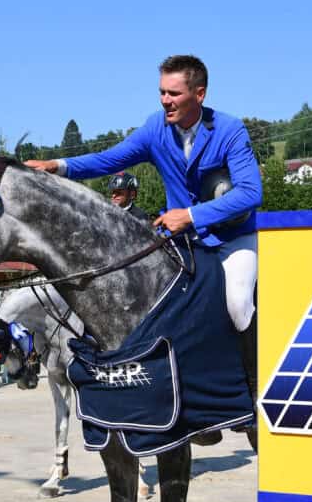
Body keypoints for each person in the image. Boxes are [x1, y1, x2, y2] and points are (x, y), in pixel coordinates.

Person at [25, 54, 261, 404]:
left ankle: (252, 391)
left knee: (238, 303)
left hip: (231, 238)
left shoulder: (229, 130)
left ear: (200, 94)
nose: (166, 100)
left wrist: (192, 215)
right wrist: (57, 166)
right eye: (162, 92)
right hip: (180, 240)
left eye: (174, 93)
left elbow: (250, 192)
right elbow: (108, 159)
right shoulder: (156, 128)